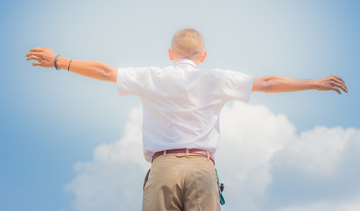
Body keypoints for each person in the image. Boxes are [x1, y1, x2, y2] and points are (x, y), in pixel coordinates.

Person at [25, 28, 348, 211]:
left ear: (171, 54)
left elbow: (107, 72)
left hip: (163, 168)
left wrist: (58, 60)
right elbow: (266, 82)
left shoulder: (151, 76)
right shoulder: (216, 78)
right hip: (202, 168)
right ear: (202, 56)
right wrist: (315, 83)